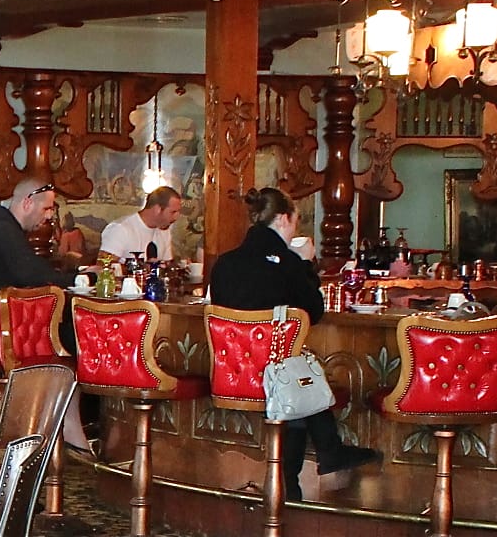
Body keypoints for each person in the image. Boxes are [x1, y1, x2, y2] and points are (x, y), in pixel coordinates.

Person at [209, 187, 381, 502]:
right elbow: (313, 312)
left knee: (291, 374)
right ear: (284, 219)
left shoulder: (224, 263)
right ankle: (304, 470)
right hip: (277, 379)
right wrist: (305, 263)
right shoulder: (288, 264)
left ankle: (303, 474)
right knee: (296, 374)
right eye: (296, 220)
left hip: (233, 377)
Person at [0, 178, 94, 457]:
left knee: (70, 341)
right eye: (47, 208)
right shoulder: (3, 231)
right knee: (74, 342)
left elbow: (31, 273)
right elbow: (30, 275)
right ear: (27, 203)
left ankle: (67, 428)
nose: (50, 216)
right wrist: (80, 278)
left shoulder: (0, 228)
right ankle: (68, 429)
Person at [99, 186, 182, 262]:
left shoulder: (164, 232)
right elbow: (103, 267)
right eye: (173, 212)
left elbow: (167, 265)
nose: (176, 217)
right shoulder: (120, 229)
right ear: (157, 209)